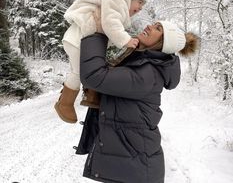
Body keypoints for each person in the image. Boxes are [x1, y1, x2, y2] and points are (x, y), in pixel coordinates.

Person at [75, 18, 199, 183]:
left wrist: (96, 32)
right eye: (154, 23)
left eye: (158, 28)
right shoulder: (141, 63)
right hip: (132, 164)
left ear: (163, 43)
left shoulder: (148, 74)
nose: (149, 26)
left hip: (137, 170)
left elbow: (95, 76)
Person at [54, 0, 150, 124]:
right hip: (78, 39)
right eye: (140, 2)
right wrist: (126, 40)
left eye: (143, 5)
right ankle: (65, 103)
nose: (140, 8)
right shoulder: (117, 2)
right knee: (79, 72)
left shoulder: (113, 2)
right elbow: (110, 23)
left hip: (80, 39)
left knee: (94, 66)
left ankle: (91, 97)